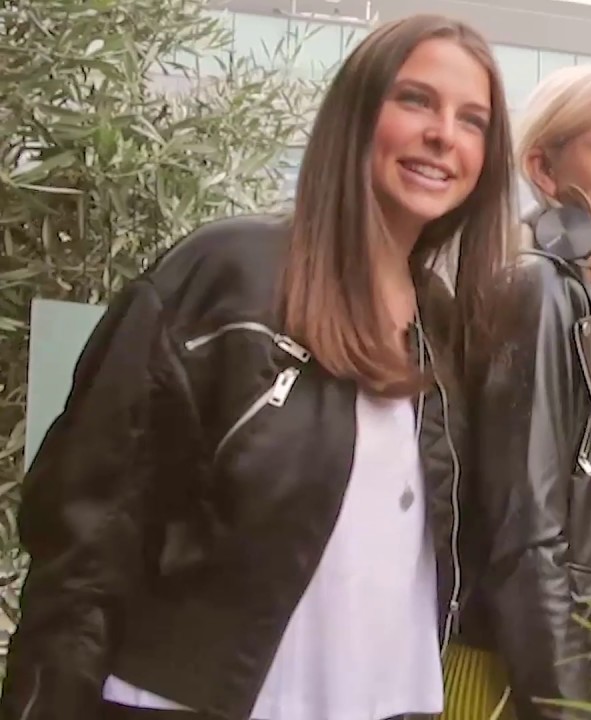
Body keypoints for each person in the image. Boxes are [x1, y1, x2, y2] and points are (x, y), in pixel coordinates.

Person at [1, 14, 514, 720]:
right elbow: (86, 530)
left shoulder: (449, 331)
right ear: (357, 114)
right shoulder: (224, 275)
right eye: (416, 100)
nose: (443, 134)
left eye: (473, 120)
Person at [445, 64, 591, 720]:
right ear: (543, 168)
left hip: (572, 664)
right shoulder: (539, 290)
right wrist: (566, 708)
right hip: (533, 679)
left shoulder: (580, 296)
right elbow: (526, 533)